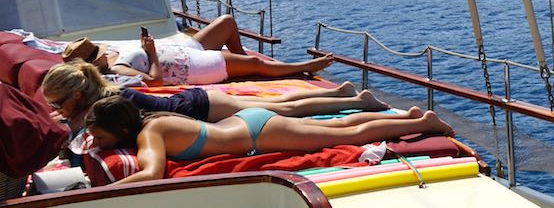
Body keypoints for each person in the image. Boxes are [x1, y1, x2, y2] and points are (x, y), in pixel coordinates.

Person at [85, 95, 454, 185]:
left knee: (351, 136)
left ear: (120, 131)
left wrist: (89, 195)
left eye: (99, 136)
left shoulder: (151, 133)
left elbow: (150, 174)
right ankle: (405, 117)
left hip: (257, 133)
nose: (94, 141)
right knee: (337, 128)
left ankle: (427, 125)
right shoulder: (154, 120)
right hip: (245, 123)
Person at [41, 61, 389, 131]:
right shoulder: (104, 95)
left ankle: (358, 102)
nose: (57, 109)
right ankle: (345, 95)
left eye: (57, 102)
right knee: (283, 105)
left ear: (76, 95)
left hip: (203, 108)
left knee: (290, 109)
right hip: (200, 101)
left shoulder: (109, 105)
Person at [62, 18, 334, 86]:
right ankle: (301, 68)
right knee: (253, 60)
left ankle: (244, 70)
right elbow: (155, 81)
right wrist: (151, 52)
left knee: (226, 22)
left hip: (183, 48)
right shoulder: (116, 69)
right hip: (191, 66)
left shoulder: (110, 51)